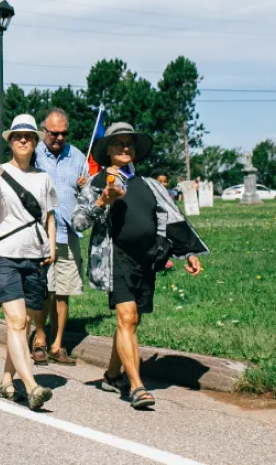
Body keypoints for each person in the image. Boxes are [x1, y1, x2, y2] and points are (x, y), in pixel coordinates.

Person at [73, 122, 208, 410]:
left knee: (131, 321)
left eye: (130, 144)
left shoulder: (149, 184)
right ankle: (136, 387)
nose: (125, 148)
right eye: (119, 143)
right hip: (115, 258)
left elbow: (173, 218)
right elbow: (79, 222)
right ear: (108, 149)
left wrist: (189, 253)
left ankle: (111, 374)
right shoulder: (98, 182)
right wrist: (101, 200)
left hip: (146, 259)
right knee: (127, 317)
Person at [0, 113, 57, 411]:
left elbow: (48, 214)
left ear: (35, 141)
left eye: (29, 136)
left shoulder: (43, 178)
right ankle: (32, 385)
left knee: (22, 326)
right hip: (4, 256)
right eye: (17, 136)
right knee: (17, 321)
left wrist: (52, 244)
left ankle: (7, 379)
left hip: (35, 257)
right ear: (10, 142)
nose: (23, 140)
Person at [32, 109, 88, 366]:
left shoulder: (77, 156)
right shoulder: (33, 153)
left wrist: (86, 184)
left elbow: (88, 193)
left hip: (68, 232)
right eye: (54, 133)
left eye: (64, 133)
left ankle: (57, 344)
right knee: (43, 289)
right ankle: (40, 339)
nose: (59, 138)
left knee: (63, 291)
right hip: (40, 233)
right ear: (45, 131)